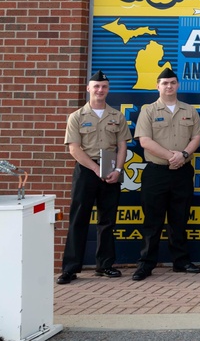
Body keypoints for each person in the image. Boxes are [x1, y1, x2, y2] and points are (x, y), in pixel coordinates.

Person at [57, 71, 131, 285]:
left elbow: (122, 146)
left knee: (107, 220)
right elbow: (74, 149)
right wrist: (95, 168)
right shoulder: (77, 117)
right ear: (88, 88)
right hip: (86, 170)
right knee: (79, 219)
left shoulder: (117, 116)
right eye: (96, 86)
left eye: (104, 87)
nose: (100, 90)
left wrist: (117, 170)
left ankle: (105, 265)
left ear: (108, 89)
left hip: (110, 170)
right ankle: (70, 268)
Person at [132, 67, 200, 281]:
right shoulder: (148, 110)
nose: (169, 86)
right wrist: (171, 157)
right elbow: (144, 141)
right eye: (165, 83)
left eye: (172, 82)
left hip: (182, 172)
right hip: (156, 172)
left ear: (178, 85)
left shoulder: (189, 110)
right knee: (152, 221)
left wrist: (182, 156)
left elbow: (196, 138)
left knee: (179, 219)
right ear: (157, 86)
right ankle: (146, 264)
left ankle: (181, 261)